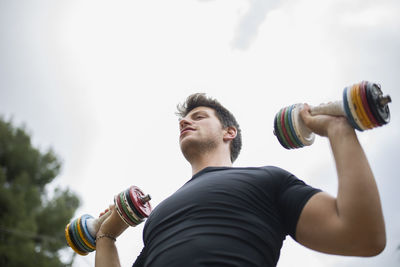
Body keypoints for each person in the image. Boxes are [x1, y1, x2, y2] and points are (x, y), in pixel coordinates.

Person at [94, 93, 386, 267]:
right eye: (184, 120)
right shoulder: (159, 216)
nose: (184, 122)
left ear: (228, 132)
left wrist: (338, 129)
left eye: (198, 116)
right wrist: (107, 237)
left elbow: (362, 236)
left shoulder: (266, 180)